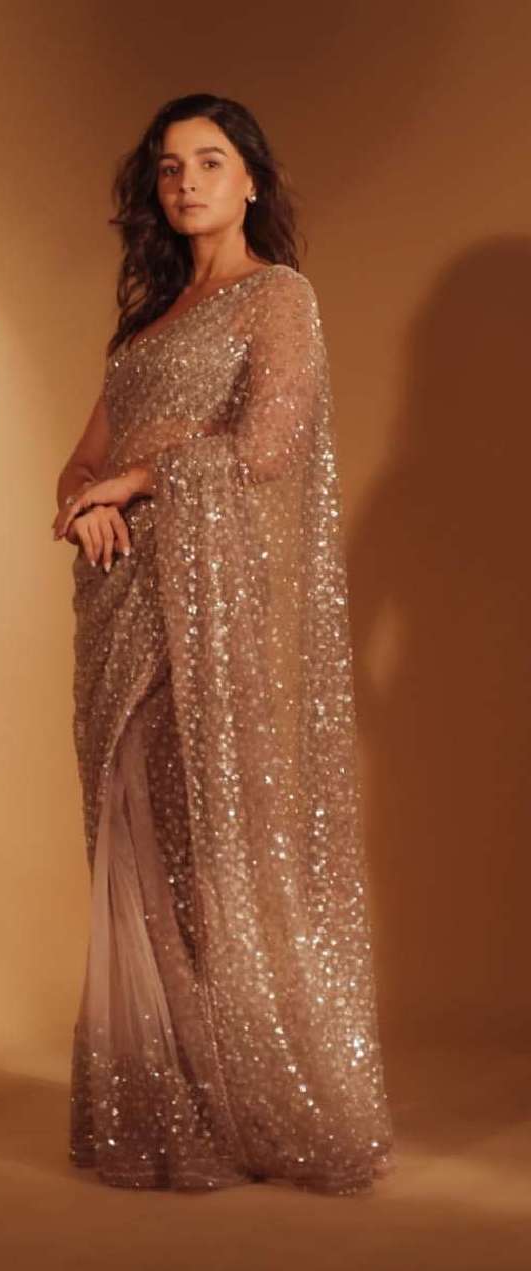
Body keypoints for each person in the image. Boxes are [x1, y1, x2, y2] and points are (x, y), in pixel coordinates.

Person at [53, 92, 395, 1193]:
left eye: (210, 161)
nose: (187, 182)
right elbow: (78, 465)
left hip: (210, 602)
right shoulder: (147, 326)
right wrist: (85, 506)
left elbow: (268, 443)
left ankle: (244, 1092)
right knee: (133, 826)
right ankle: (161, 1097)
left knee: (204, 834)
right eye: (169, 167)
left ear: (251, 181)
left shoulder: (277, 297)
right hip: (120, 595)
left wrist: (134, 482)